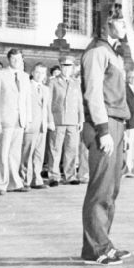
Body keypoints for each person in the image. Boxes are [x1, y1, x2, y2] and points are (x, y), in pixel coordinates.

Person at [79, 3, 132, 266]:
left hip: (116, 123)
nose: (125, 26)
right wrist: (103, 130)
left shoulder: (113, 52)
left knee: (111, 188)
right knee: (100, 188)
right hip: (105, 124)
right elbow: (93, 94)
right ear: (108, 23)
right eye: (121, 22)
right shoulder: (97, 52)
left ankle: (104, 244)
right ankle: (94, 249)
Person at [0, 49, 31, 195]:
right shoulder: (0, 74)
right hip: (4, 120)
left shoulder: (25, 76)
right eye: (13, 59)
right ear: (9, 59)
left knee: (15, 153)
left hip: (19, 120)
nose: (16, 61)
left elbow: (27, 100)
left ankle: (14, 182)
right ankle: (0, 184)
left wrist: (28, 119)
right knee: (2, 153)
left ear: (22, 59)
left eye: (19, 59)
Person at [48, 56, 83, 186]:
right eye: (64, 66)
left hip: (73, 121)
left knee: (71, 149)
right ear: (60, 67)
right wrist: (50, 120)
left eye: (69, 67)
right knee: (55, 149)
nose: (67, 69)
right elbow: (48, 102)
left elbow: (79, 102)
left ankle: (70, 175)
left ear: (72, 68)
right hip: (58, 120)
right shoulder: (53, 82)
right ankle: (53, 176)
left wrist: (81, 120)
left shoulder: (75, 83)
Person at [21, 63, 51, 189]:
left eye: (43, 73)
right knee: (27, 153)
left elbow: (47, 108)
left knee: (39, 153)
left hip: (42, 125)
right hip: (30, 124)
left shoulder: (46, 89)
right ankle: (25, 180)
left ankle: (37, 179)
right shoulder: (26, 86)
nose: (40, 75)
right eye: (37, 72)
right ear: (32, 72)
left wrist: (49, 122)